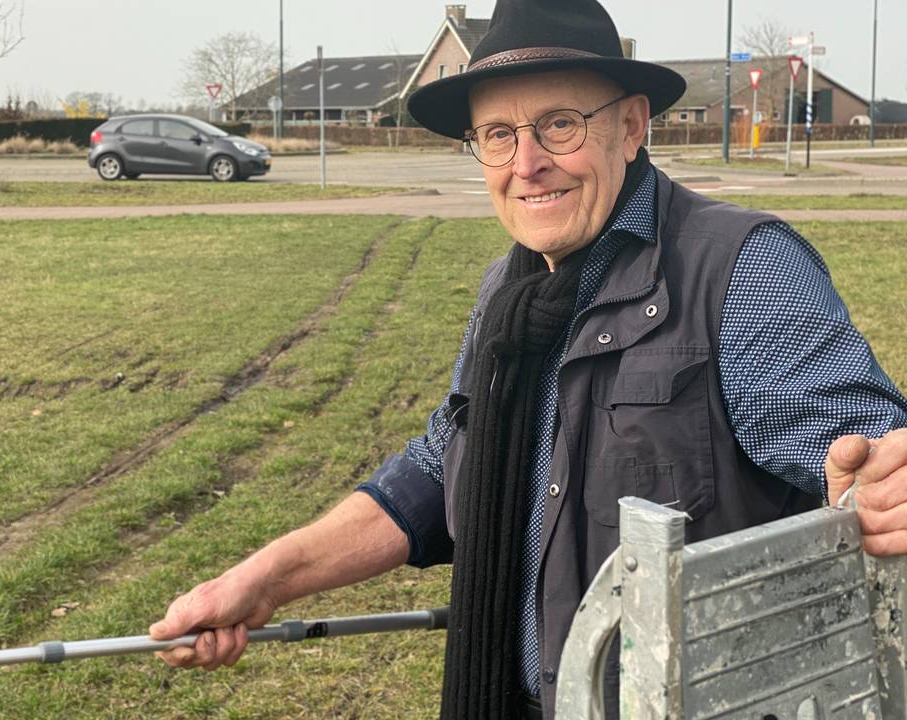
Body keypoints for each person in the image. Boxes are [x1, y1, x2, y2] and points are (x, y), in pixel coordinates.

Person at [149, 0, 907, 717]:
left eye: (559, 125)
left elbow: (869, 460)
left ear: (632, 127)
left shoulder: (739, 271)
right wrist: (263, 580)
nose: (527, 162)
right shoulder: (507, 292)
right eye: (498, 135)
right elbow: (443, 465)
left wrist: (876, 485)